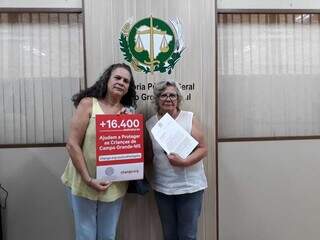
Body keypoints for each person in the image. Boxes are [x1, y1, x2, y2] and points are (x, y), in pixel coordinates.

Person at [61, 63, 136, 240]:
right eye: (117, 78)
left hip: (113, 186)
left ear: (128, 87)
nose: (121, 82)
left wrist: (129, 125)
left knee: (107, 236)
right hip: (83, 181)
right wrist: (88, 179)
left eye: (126, 81)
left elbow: (132, 151)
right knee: (85, 235)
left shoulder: (128, 114)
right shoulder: (88, 104)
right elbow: (72, 144)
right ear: (107, 79)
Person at [146, 79, 208, 240]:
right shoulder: (151, 124)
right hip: (163, 188)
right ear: (157, 99)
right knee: (169, 235)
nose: (168, 99)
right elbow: (150, 155)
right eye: (164, 95)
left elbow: (203, 149)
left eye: (173, 95)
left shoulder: (188, 118)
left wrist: (185, 162)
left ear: (178, 99)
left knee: (187, 235)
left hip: (190, 188)